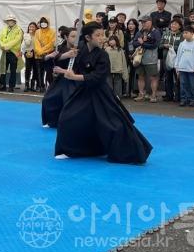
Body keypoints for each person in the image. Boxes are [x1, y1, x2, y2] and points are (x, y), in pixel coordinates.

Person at [53, 22, 152, 164]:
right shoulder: (79, 48)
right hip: (82, 92)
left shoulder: (103, 55)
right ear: (87, 37)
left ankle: (131, 152)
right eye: (97, 35)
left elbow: (97, 77)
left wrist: (75, 77)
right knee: (67, 117)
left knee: (113, 124)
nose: (102, 38)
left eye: (103, 35)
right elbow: (57, 60)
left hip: (100, 93)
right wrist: (67, 56)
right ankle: (71, 150)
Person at [41, 26, 78, 128]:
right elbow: (52, 59)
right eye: (73, 36)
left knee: (68, 99)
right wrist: (63, 56)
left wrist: (64, 69)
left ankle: (69, 123)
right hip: (61, 79)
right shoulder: (60, 48)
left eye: (77, 36)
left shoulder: (81, 49)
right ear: (66, 37)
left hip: (75, 79)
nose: (75, 39)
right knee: (48, 98)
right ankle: (52, 121)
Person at [131, 15, 161, 103]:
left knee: (153, 77)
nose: (143, 24)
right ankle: (141, 94)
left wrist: (143, 43)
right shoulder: (140, 32)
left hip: (151, 58)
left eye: (145, 22)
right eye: (142, 22)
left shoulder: (156, 32)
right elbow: (134, 43)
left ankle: (153, 95)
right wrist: (143, 42)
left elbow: (155, 45)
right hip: (139, 58)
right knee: (140, 77)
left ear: (150, 22)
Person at [174, 26, 194, 107]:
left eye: (186, 33)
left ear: (192, 33)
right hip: (182, 68)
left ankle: (193, 99)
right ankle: (184, 99)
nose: (184, 34)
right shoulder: (182, 44)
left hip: (192, 69)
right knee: (183, 84)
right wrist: (177, 66)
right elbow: (178, 55)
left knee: (193, 85)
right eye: (184, 33)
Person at [0, 14, 23, 92]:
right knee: (3, 68)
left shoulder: (19, 30)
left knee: (13, 70)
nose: (9, 22)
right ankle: (2, 85)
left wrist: (6, 47)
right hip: (5, 51)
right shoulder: (4, 29)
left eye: (11, 20)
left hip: (13, 52)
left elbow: (16, 41)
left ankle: (11, 86)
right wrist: (2, 46)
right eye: (8, 20)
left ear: (14, 21)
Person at [160, 19, 183, 102]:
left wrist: (171, 47)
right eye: (172, 24)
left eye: (176, 24)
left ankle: (178, 96)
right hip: (166, 59)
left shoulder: (182, 35)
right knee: (168, 77)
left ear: (180, 26)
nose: (173, 25)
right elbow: (160, 45)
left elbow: (182, 47)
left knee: (178, 78)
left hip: (178, 59)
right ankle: (169, 95)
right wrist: (164, 45)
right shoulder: (166, 34)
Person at [34, 17, 56, 92]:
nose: (43, 23)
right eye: (42, 22)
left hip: (48, 54)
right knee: (39, 72)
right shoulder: (37, 32)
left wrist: (42, 51)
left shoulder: (52, 32)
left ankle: (50, 86)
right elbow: (36, 43)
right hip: (38, 55)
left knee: (49, 71)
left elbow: (51, 44)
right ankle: (41, 86)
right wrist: (39, 51)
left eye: (45, 22)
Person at [22, 22, 38, 92]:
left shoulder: (38, 35)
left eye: (33, 27)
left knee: (35, 69)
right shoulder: (26, 35)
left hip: (36, 53)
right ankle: (26, 85)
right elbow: (28, 43)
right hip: (28, 52)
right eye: (30, 26)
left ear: (36, 28)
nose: (31, 28)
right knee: (28, 69)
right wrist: (31, 35)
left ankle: (32, 85)